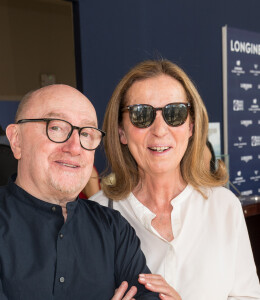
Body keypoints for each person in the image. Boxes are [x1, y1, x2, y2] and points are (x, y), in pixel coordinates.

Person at [0, 84, 159, 300]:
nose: (75, 147)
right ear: (16, 140)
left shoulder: (114, 228)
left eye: (87, 133)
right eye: (55, 128)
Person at [90, 60, 260, 299]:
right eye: (141, 114)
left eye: (175, 113)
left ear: (191, 126)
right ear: (121, 132)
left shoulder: (224, 206)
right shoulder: (96, 215)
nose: (160, 129)